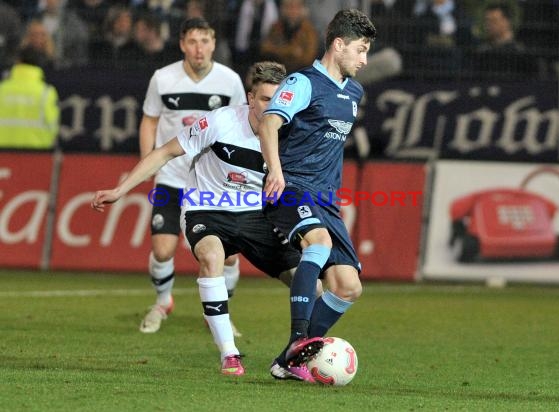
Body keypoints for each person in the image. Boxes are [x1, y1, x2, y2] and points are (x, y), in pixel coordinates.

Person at [92, 61, 314, 380]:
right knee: (211, 257)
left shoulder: (291, 133)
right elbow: (165, 152)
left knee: (312, 286)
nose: (271, 108)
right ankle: (229, 354)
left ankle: (296, 357)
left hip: (256, 215)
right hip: (207, 208)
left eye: (278, 101)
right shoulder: (219, 121)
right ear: (251, 98)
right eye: (265, 99)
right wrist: (120, 189)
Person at [258, 9, 376, 369]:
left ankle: (287, 363)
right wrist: (275, 172)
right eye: (360, 49)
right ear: (338, 44)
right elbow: (268, 123)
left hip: (326, 199)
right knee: (319, 244)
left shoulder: (354, 91)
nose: (364, 59)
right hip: (291, 185)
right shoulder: (302, 82)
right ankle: (299, 340)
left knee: (348, 286)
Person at [138, 17, 247, 336]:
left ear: (214, 43)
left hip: (213, 183)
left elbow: (242, 125)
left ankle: (219, 313)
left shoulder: (229, 81)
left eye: (205, 41)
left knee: (225, 255)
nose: (199, 48)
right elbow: (149, 121)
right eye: (192, 42)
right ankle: (161, 302)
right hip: (171, 178)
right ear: (182, 44)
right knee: (162, 250)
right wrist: (149, 160)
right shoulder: (163, 78)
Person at [0, 46, 59, 149]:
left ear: (18, 61)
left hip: (3, 155)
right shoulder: (46, 92)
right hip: (36, 156)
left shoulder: (2, 89)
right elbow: (53, 127)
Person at [259, 0, 320, 73]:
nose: (292, 11)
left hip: (300, 74)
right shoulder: (275, 27)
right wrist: (291, 52)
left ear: (303, 10)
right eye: (288, 7)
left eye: (296, 7)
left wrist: (277, 51)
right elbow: (265, 48)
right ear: (283, 9)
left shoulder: (309, 31)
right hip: (277, 73)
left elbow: (308, 58)